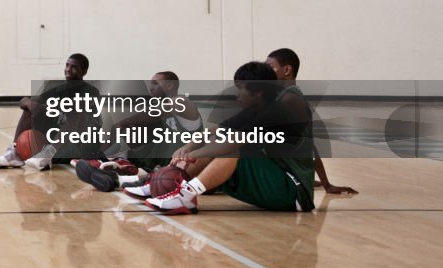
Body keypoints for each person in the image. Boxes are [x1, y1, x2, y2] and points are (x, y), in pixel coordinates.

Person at [133, 61, 316, 215]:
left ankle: (186, 196)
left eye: (240, 89)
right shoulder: (254, 110)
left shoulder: (276, 112)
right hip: (276, 180)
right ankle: (161, 183)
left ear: (258, 91)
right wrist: (188, 147)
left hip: (294, 191)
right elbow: (214, 131)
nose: (236, 95)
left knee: (232, 150)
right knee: (218, 141)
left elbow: (232, 142)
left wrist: (191, 154)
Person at [74, 71, 202, 190]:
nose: (151, 87)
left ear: (169, 86)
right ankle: (112, 162)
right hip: (164, 159)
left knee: (126, 124)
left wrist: (122, 123)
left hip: (185, 162)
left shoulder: (182, 102)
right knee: (129, 129)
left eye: (155, 83)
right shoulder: (163, 106)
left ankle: (117, 171)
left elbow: (152, 114)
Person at [266, 48, 357, 195]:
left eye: (270, 67)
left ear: (287, 70)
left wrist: (326, 184)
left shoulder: (290, 99)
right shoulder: (283, 96)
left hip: (281, 175)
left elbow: (310, 143)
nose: (266, 73)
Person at [0, 53, 99, 171]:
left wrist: (42, 107)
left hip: (78, 146)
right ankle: (15, 152)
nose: (68, 70)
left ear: (84, 71)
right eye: (67, 65)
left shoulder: (91, 91)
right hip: (57, 144)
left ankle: (47, 155)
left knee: (77, 113)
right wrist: (30, 104)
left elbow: (75, 106)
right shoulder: (58, 88)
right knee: (30, 108)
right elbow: (24, 101)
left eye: (74, 67)